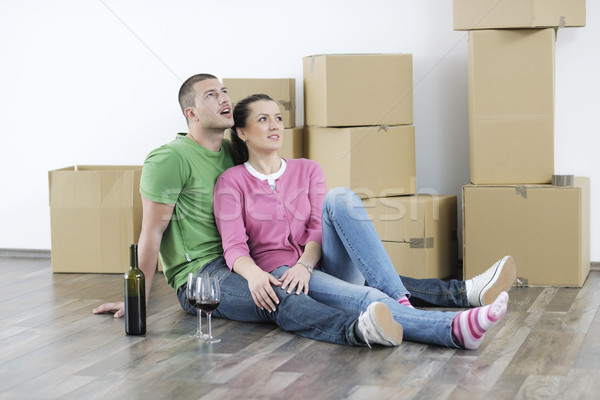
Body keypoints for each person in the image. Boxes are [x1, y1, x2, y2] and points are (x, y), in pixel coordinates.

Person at [92, 74, 515, 346]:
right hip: (205, 273)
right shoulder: (170, 159)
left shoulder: (231, 155)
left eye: (224, 91)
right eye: (210, 95)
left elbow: (281, 198)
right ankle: (363, 328)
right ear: (190, 112)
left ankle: (457, 294)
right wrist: (137, 302)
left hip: (253, 260)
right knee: (288, 295)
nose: (223, 98)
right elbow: (151, 233)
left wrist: (304, 257)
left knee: (338, 244)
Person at [212, 93, 511, 349]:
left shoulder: (308, 169)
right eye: (263, 119)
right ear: (242, 132)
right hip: (282, 274)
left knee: (340, 197)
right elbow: (234, 247)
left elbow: (318, 226)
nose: (275, 125)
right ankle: (455, 329)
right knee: (367, 296)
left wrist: (304, 264)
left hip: (320, 263)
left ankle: (400, 300)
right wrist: (255, 275)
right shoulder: (231, 182)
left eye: (277, 117)